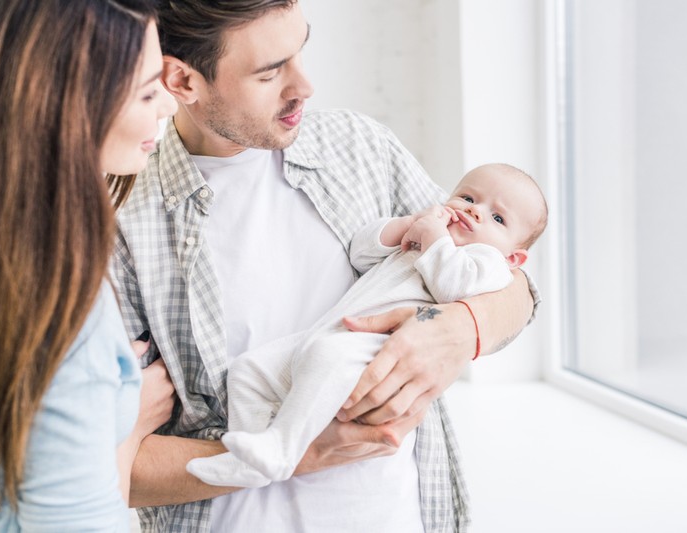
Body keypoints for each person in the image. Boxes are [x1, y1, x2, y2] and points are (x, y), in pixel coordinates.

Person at [112, 1, 539, 531]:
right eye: (270, 72)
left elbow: (514, 284)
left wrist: (461, 330)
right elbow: (109, 465)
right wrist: (301, 451)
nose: (304, 87)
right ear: (182, 80)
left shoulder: (361, 147)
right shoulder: (123, 221)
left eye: (300, 52)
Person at [0, 0, 177, 530]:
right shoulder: (55, 303)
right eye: (146, 91)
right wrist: (128, 430)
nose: (166, 103)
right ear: (69, 108)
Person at [186, 163, 548, 488]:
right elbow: (360, 254)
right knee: (248, 370)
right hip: (336, 332)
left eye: (497, 218)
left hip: (380, 347)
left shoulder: (486, 262)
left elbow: (452, 286)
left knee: (324, 354)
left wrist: (435, 237)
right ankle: (251, 453)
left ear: (514, 256)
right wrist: (406, 227)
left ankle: (282, 448)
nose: (474, 210)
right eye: (468, 196)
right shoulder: (423, 236)